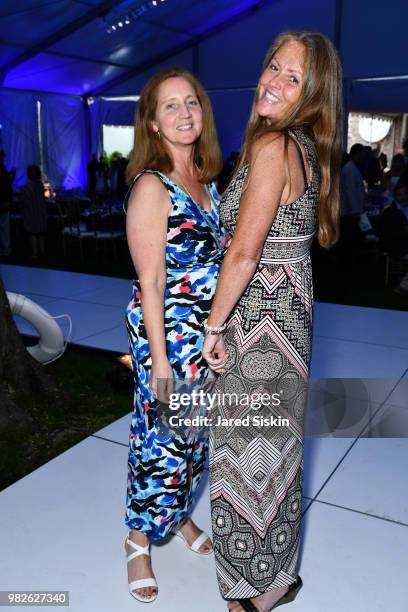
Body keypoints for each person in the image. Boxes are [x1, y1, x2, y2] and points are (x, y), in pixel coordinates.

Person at [202, 31, 343, 612]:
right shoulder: (305, 148)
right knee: (275, 451)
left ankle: (253, 590)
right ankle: (276, 579)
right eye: (274, 67)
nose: (274, 82)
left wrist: (213, 327)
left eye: (293, 79)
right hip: (291, 317)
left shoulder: (272, 146)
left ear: (311, 94)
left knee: (241, 452)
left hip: (257, 319)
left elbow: (244, 252)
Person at [123, 67, 228, 603]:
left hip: (203, 341)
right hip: (167, 340)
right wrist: (161, 362)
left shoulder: (206, 181)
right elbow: (152, 281)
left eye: (192, 102)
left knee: (195, 440)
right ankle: (138, 539)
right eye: (170, 106)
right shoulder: (151, 185)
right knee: (162, 442)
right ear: (153, 122)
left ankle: (179, 518)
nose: (184, 113)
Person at [378, 175, 408, 295]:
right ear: (395, 196)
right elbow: (387, 236)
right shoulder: (390, 213)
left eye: (406, 194)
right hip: (396, 245)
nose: (403, 197)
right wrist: (404, 231)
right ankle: (404, 286)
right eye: (400, 194)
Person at [19, 165, 47, 258]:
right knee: (40, 233)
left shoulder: (26, 187)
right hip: (40, 211)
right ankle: (42, 252)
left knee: (33, 233)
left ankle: (35, 253)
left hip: (31, 212)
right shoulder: (40, 184)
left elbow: (23, 201)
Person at [0, 151, 14, 258]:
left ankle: (4, 250)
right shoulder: (2, 168)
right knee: (5, 228)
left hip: (3, 202)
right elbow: (5, 185)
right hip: (3, 203)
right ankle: (6, 250)